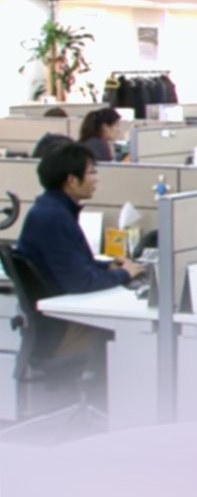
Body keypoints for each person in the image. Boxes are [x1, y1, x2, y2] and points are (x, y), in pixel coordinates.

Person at [17, 143, 145, 357]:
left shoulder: (51, 208)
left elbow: (73, 262)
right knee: (138, 334)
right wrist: (124, 274)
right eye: (91, 172)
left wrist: (107, 266)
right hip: (62, 330)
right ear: (71, 181)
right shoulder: (54, 218)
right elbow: (81, 282)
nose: (96, 179)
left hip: (55, 321)